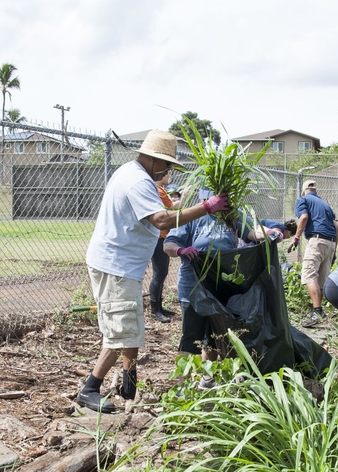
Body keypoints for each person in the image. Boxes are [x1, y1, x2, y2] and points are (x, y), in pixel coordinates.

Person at [79, 129, 229, 414]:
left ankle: (129, 384)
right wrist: (206, 207)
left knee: (130, 329)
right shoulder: (137, 181)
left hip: (123, 266)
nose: (168, 170)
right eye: (167, 164)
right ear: (153, 159)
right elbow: (162, 220)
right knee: (120, 333)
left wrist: (187, 205)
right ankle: (90, 388)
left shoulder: (134, 174)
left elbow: (166, 210)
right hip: (116, 265)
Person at [164, 191, 272, 380]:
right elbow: (169, 244)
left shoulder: (232, 216)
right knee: (191, 338)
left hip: (221, 288)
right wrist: (181, 249)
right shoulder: (192, 216)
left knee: (215, 337)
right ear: (204, 200)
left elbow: (250, 233)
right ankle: (182, 386)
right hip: (193, 287)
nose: (216, 204)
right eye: (212, 200)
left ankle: (207, 379)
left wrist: (268, 233)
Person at [290, 180, 338, 328]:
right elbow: (337, 228)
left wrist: (296, 238)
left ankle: (317, 312)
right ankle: (318, 311)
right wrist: (334, 249)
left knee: (309, 275)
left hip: (316, 241)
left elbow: (303, 217)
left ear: (304, 190)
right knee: (320, 280)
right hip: (330, 243)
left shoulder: (303, 199)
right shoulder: (325, 204)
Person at [148, 171, 178, 323]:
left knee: (162, 272)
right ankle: (155, 310)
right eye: (169, 174)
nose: (170, 176)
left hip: (162, 237)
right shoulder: (158, 190)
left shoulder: (160, 190)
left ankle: (159, 307)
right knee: (159, 273)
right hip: (158, 237)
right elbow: (172, 209)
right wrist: (184, 196)